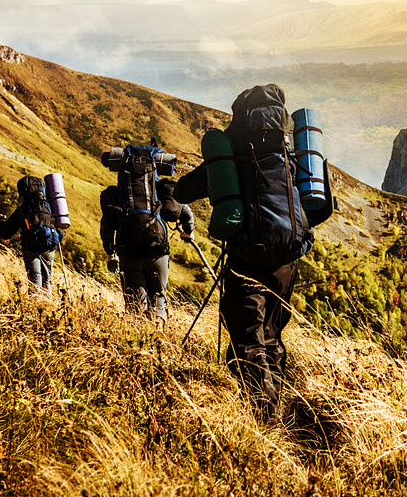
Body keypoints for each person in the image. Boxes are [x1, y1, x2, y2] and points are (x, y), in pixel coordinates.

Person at [174, 85, 333, 419]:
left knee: (247, 341)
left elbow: (184, 192)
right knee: (272, 336)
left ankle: (263, 421)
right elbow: (321, 205)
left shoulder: (234, 149)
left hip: (247, 258)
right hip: (288, 258)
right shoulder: (291, 149)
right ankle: (275, 408)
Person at [100, 167, 195, 326]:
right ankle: (157, 335)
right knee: (158, 297)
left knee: (135, 303)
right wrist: (188, 232)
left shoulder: (117, 196)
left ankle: (137, 338)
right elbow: (185, 211)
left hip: (128, 254)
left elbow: (107, 228)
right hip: (157, 253)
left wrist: (110, 254)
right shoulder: (160, 192)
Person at [0, 175, 62, 298]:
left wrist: (1, 222)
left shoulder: (23, 209)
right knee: (46, 281)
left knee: (35, 279)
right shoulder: (49, 205)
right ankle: (48, 310)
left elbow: (5, 233)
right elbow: (61, 229)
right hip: (49, 246)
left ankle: (35, 309)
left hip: (31, 248)